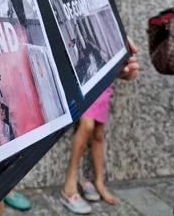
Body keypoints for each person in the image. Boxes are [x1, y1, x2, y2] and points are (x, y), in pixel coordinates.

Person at [60, 38, 139, 214]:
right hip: (85, 75)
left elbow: (128, 65)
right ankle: (70, 182)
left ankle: (99, 183)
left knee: (98, 133)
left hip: (104, 77)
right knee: (87, 125)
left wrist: (127, 68)